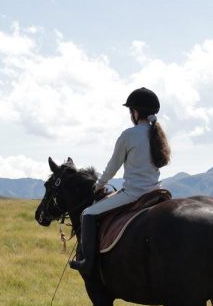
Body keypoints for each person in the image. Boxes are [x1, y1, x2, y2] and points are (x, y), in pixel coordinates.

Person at [70, 87, 172, 275]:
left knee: (87, 214)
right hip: (156, 192)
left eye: (130, 111)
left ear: (136, 112)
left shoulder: (129, 135)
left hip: (134, 194)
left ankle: (87, 262)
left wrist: (99, 185)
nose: (130, 114)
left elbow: (113, 166)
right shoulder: (157, 134)